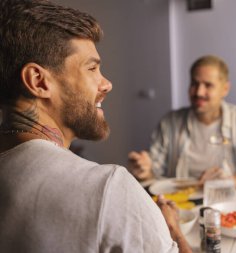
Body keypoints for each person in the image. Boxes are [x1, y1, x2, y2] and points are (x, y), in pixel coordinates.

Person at [0, 1, 191, 252]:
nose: (107, 84)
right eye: (92, 68)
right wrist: (173, 230)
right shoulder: (107, 188)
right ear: (39, 81)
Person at [129, 55, 236, 188]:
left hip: (231, 205)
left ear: (225, 89)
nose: (199, 92)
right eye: (194, 84)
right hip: (182, 207)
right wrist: (144, 171)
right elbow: (153, 176)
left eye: (208, 85)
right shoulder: (169, 123)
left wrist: (232, 181)